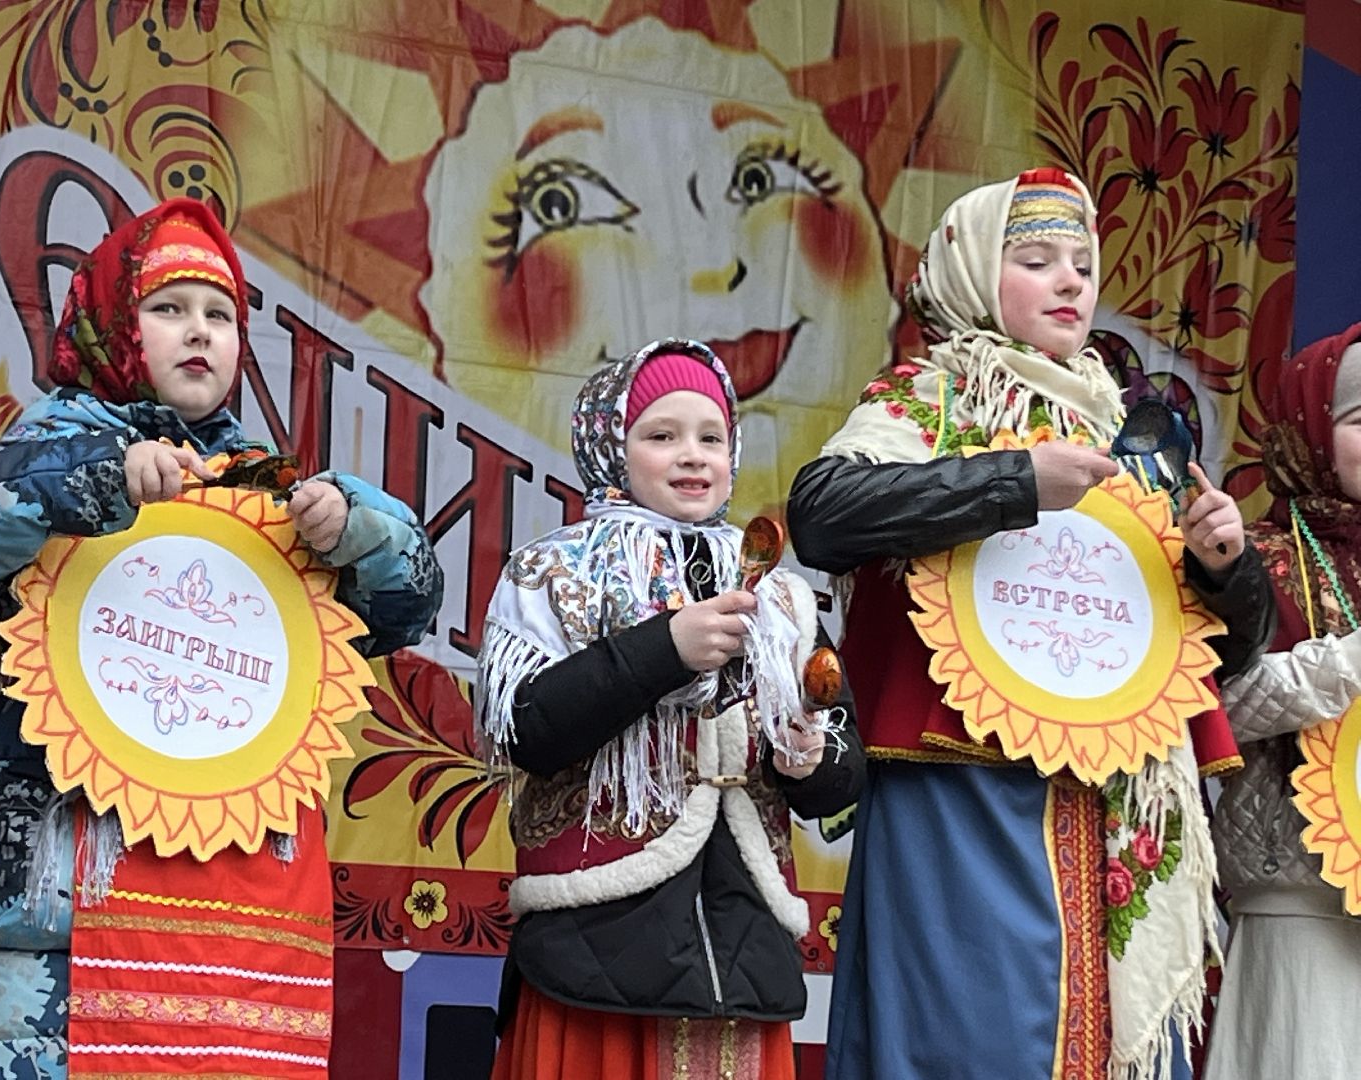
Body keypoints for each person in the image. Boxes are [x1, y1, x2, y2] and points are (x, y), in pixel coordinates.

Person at [0, 198, 442, 1077]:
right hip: (61, 938)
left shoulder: (269, 492)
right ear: (114, 325)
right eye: (168, 309)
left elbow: (410, 605)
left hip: (233, 948)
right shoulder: (49, 454)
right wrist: (97, 483)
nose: (199, 332)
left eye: (221, 315)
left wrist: (357, 530)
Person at [785, 169, 1275, 1078]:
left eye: (1083, 265)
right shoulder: (929, 402)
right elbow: (821, 511)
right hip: (963, 795)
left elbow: (1213, 657)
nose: (1069, 283)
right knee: (962, 1041)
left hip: (1112, 796)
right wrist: (1015, 480)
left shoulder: (1129, 434)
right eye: (1037, 259)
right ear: (972, 273)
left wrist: (1225, 567)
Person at [475, 339, 864, 1080]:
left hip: (744, 944)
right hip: (598, 935)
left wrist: (810, 758)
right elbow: (526, 730)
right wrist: (665, 650)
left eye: (710, 437)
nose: (692, 455)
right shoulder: (553, 571)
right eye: (661, 436)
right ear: (609, 447)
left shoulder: (782, 598)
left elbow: (841, 778)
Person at [1203, 327, 1361, 1079]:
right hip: (1300, 906)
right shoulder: (1252, 560)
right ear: (1308, 429)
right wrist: (1350, 664)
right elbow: (1213, 710)